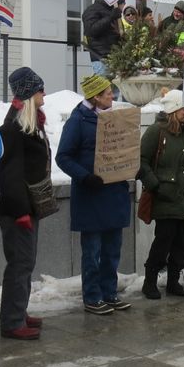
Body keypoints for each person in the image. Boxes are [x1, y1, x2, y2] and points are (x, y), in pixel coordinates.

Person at [55, 74, 133, 314]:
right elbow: (63, 156)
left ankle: (109, 293)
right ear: (96, 97)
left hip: (114, 192)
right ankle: (92, 296)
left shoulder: (114, 117)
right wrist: (84, 176)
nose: (112, 96)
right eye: (108, 93)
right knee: (93, 252)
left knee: (112, 250)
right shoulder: (78, 121)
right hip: (91, 195)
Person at [0, 67, 52, 340]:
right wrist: (20, 212)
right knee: (20, 264)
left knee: (25, 263)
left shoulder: (31, 123)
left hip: (28, 206)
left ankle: (19, 310)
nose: (44, 93)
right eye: (40, 89)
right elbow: (10, 174)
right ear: (29, 93)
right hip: (18, 210)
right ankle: (12, 321)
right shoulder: (14, 128)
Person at [139, 90, 184, 299]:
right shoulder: (156, 131)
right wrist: (155, 184)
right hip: (165, 197)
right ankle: (149, 281)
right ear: (173, 110)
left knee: (180, 244)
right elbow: (141, 160)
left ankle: (173, 281)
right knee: (163, 242)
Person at [81, 0, 122, 79]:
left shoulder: (111, 11)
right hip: (101, 58)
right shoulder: (92, 10)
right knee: (105, 89)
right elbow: (91, 31)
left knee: (116, 90)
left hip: (115, 58)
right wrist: (110, 17)